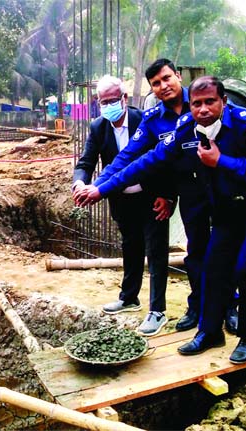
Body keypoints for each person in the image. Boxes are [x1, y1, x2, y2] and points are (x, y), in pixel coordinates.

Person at [76, 76, 246, 363]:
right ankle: (210, 332)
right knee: (214, 267)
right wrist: (100, 189)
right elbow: (148, 160)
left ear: (223, 102)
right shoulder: (187, 128)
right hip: (229, 204)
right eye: (197, 104)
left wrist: (222, 161)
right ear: (189, 106)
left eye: (210, 102)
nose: (203, 109)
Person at [90, 59, 238, 335]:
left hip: (221, 186)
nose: (163, 86)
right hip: (189, 190)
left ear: (178, 76)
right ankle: (198, 307)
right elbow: (140, 158)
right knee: (195, 251)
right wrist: (100, 184)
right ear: (152, 89)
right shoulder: (153, 119)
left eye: (167, 78)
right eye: (156, 83)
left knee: (224, 247)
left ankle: (230, 306)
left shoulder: (202, 100)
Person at [72, 74, 173, 336]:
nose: (107, 106)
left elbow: (166, 161)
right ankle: (129, 297)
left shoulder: (145, 120)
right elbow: (85, 163)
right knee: (131, 246)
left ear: (125, 98)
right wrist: (79, 184)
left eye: (112, 100)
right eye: (102, 102)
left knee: (156, 250)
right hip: (121, 199)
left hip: (152, 197)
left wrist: (168, 195)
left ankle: (157, 310)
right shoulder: (98, 127)